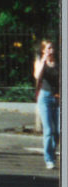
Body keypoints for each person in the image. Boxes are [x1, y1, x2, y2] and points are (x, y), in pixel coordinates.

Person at [34, 40, 59, 170]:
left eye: (52, 48)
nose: (51, 50)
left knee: (58, 131)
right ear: (43, 50)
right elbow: (37, 76)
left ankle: (52, 153)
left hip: (59, 98)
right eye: (48, 48)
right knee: (49, 130)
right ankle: (49, 159)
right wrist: (43, 62)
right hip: (45, 98)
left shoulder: (59, 62)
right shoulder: (39, 62)